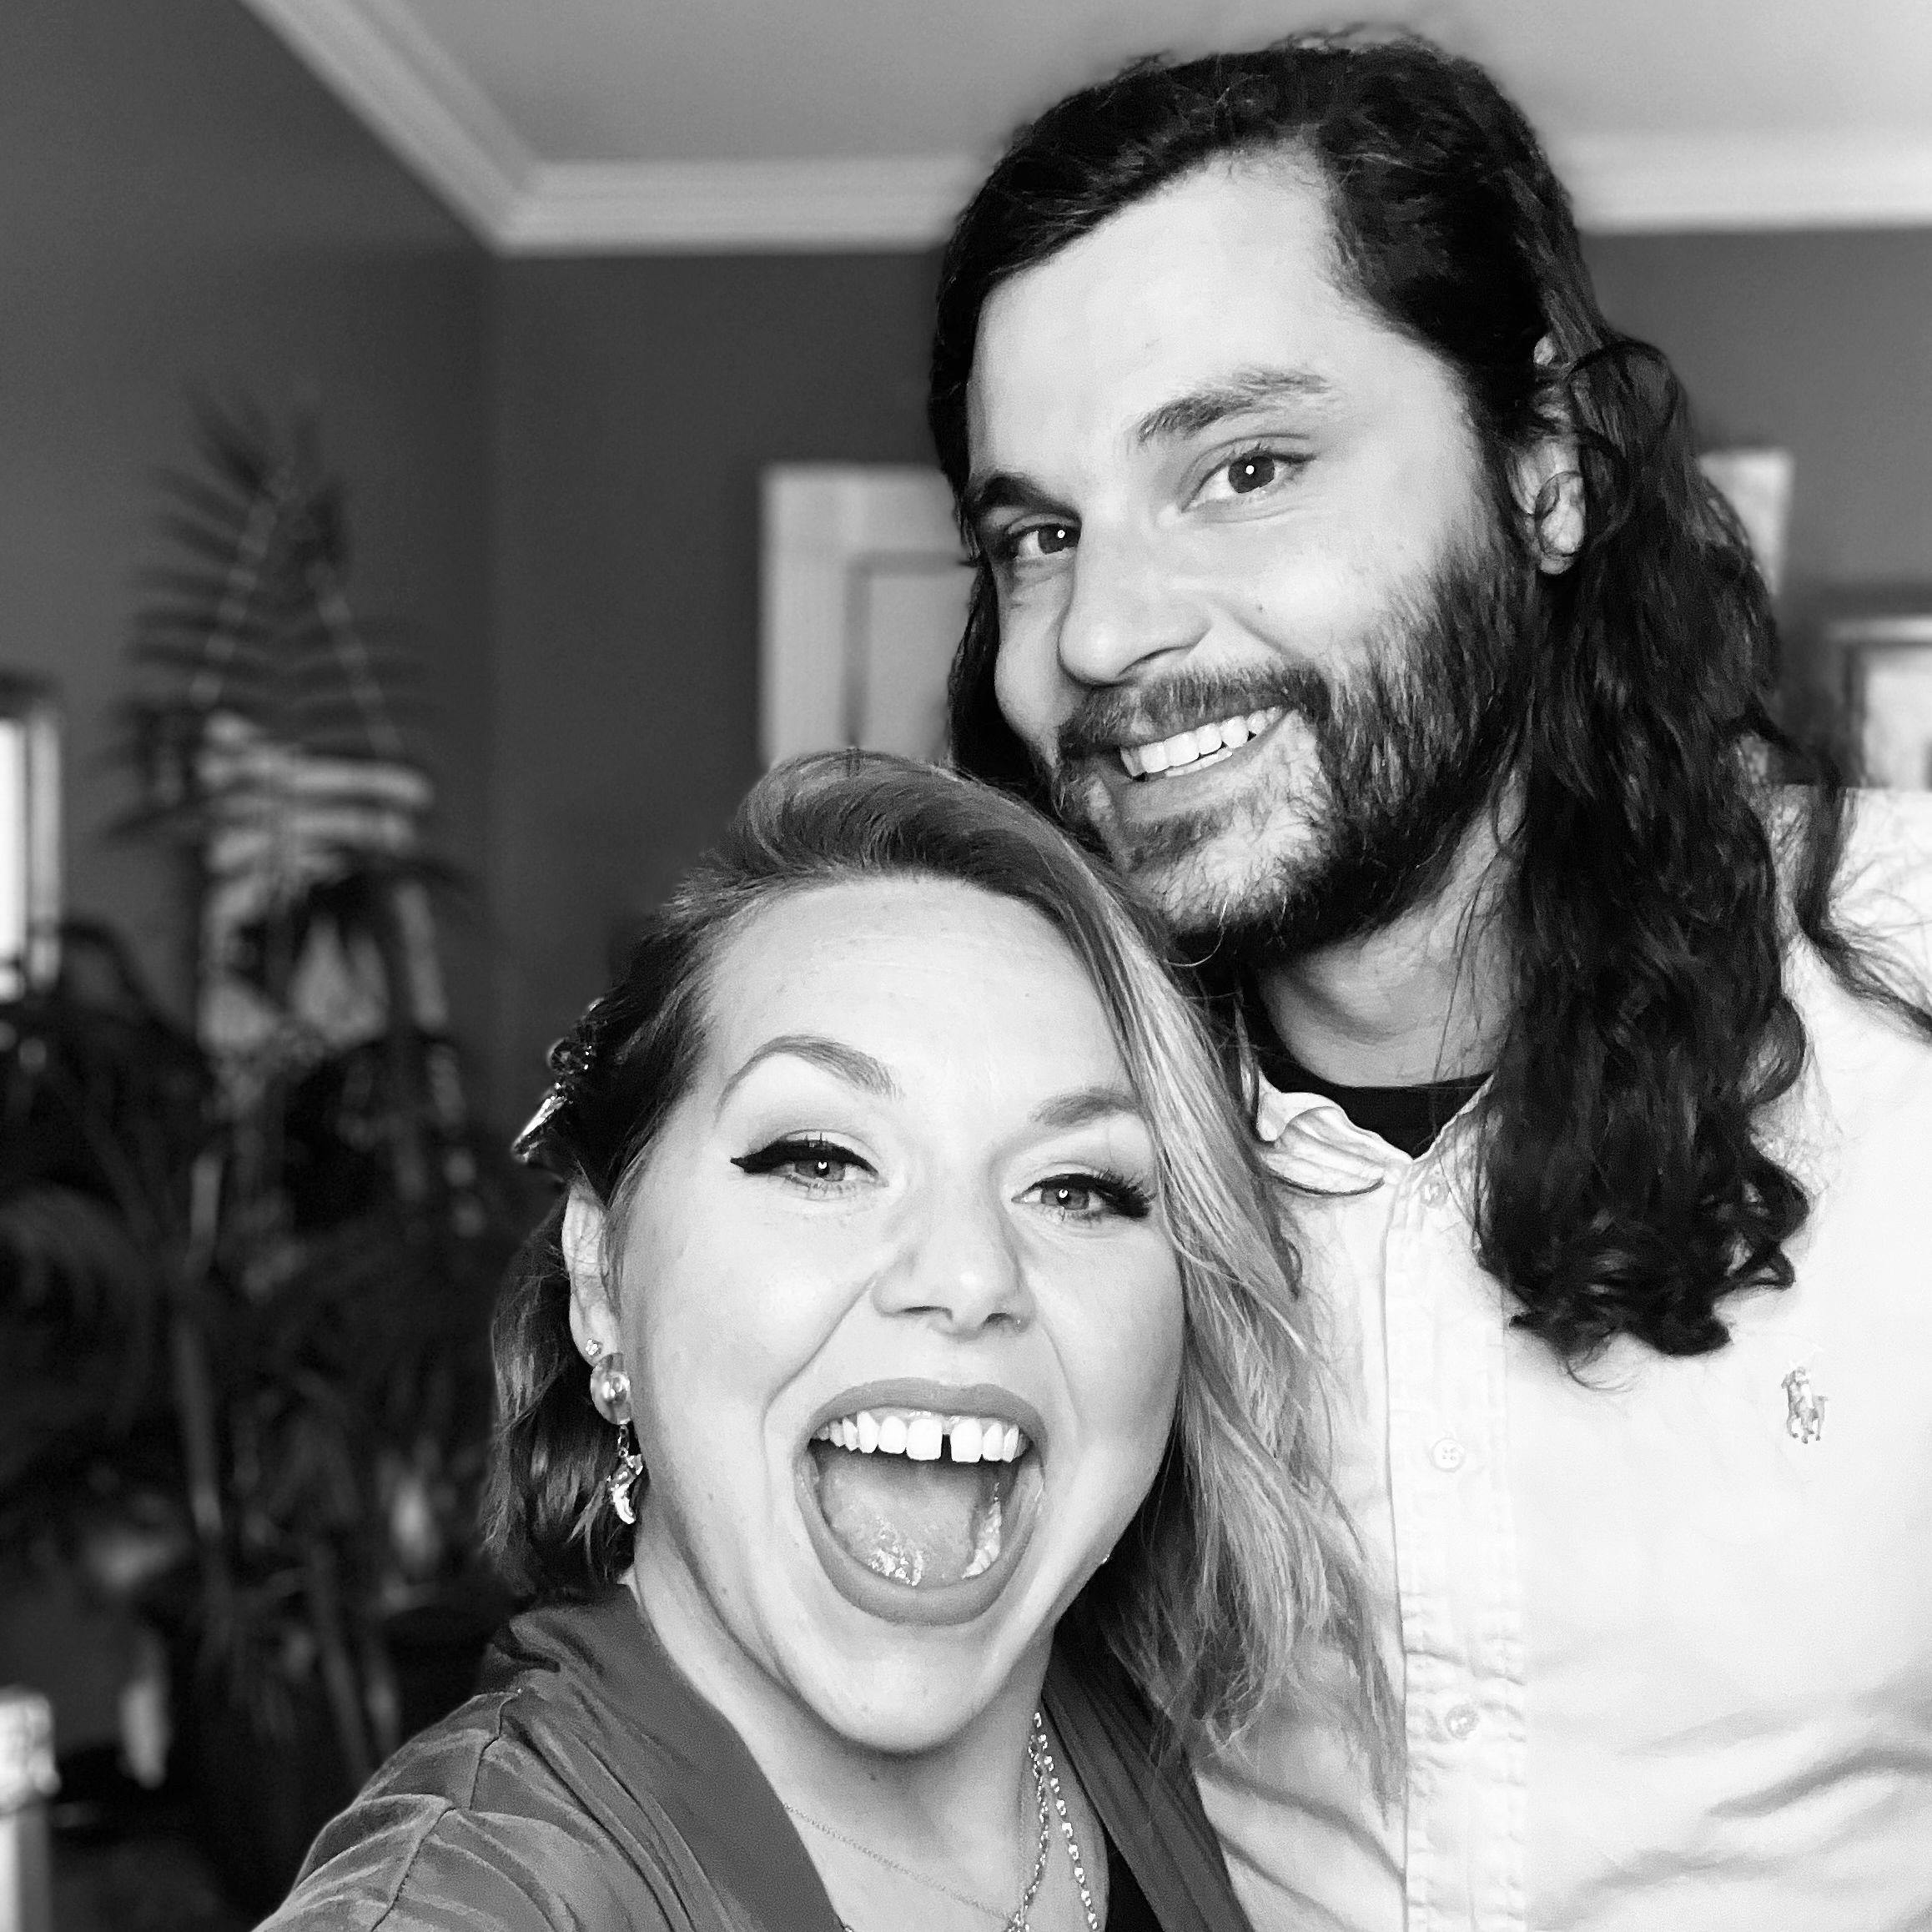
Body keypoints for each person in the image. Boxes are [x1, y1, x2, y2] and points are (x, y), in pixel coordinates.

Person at [927, 32, 1932, 1932]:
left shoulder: (1908, 1008)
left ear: (1542, 472)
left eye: (1243, 468)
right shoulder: (1022, 1143)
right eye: (1040, 535)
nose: (1103, 630)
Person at [260, 751, 1385, 1932]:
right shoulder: (468, 1893)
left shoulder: (1137, 1746)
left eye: (1075, 1188)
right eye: (822, 1160)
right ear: (601, 1277)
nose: (968, 1278)